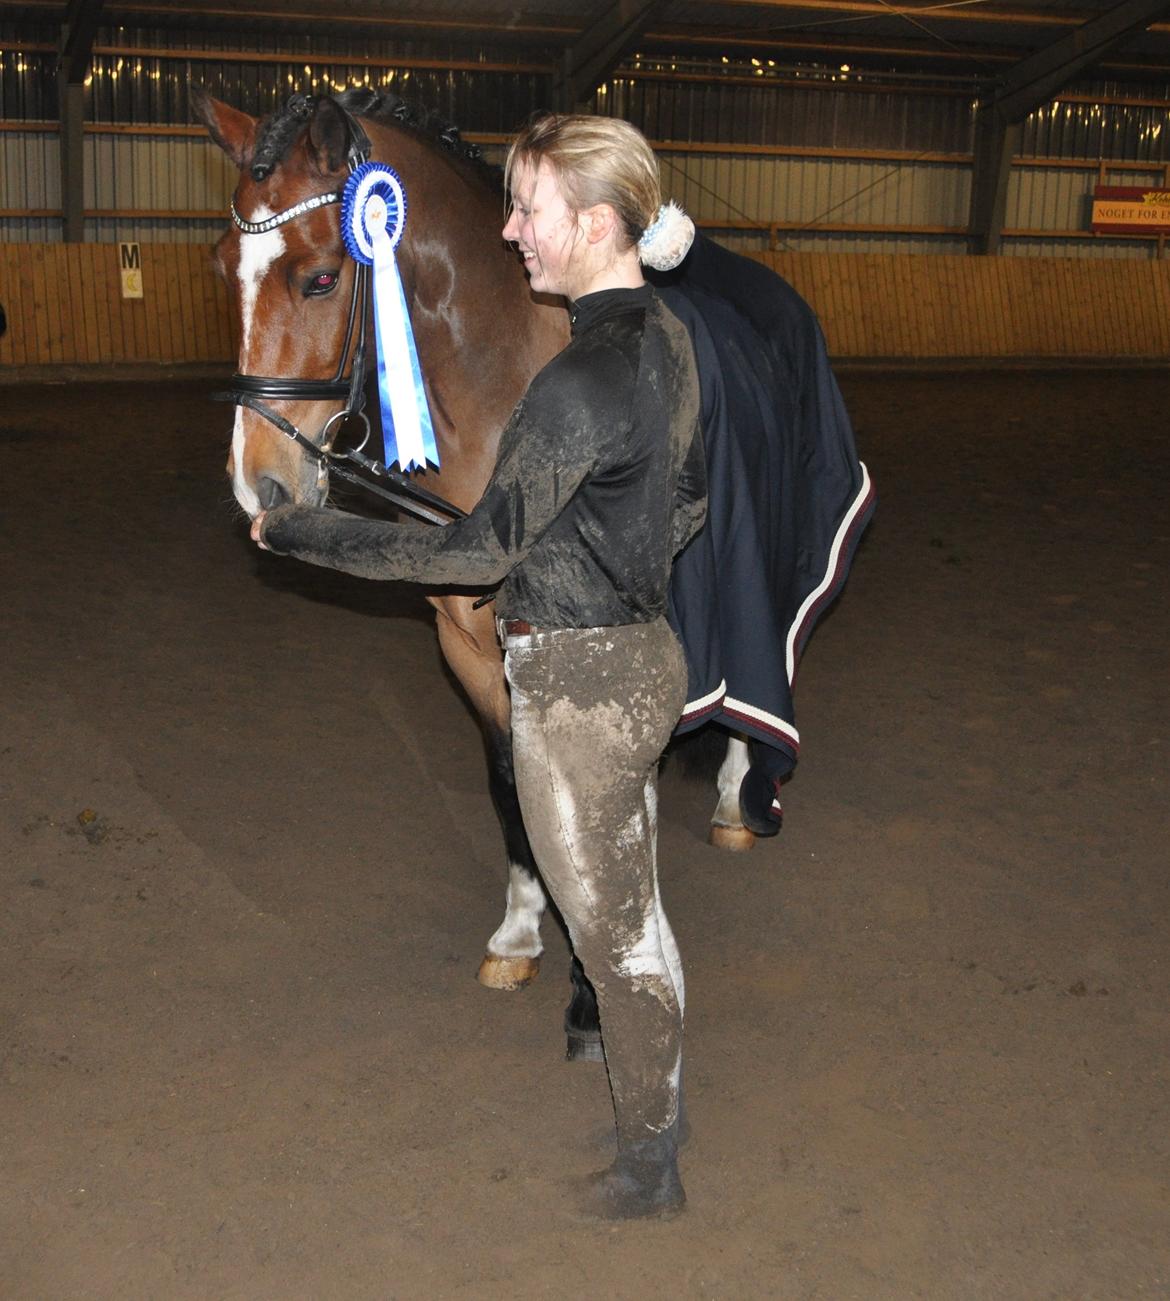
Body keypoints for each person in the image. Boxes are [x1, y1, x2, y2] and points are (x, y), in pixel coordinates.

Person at [252, 112, 707, 1219]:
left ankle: (652, 1156)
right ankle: (664, 1101)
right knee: (634, 910)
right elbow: (685, 498)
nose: (511, 231)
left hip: (575, 689)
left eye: (531, 210)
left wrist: (303, 533)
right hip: (645, 655)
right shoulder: (667, 340)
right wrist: (596, 537)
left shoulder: (572, 386)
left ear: (595, 224)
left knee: (611, 930)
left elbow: (473, 551)